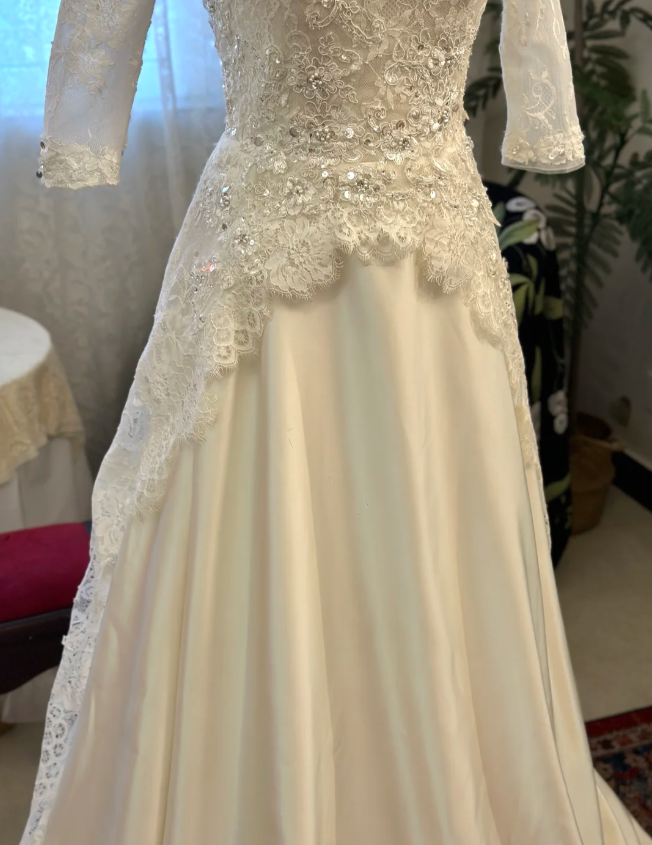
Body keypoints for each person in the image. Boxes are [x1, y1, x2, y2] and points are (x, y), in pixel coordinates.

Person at [21, 1, 652, 843]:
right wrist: (81, 130)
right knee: (259, 546)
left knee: (438, 546)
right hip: (270, 276)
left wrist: (544, 117)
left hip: (434, 281)